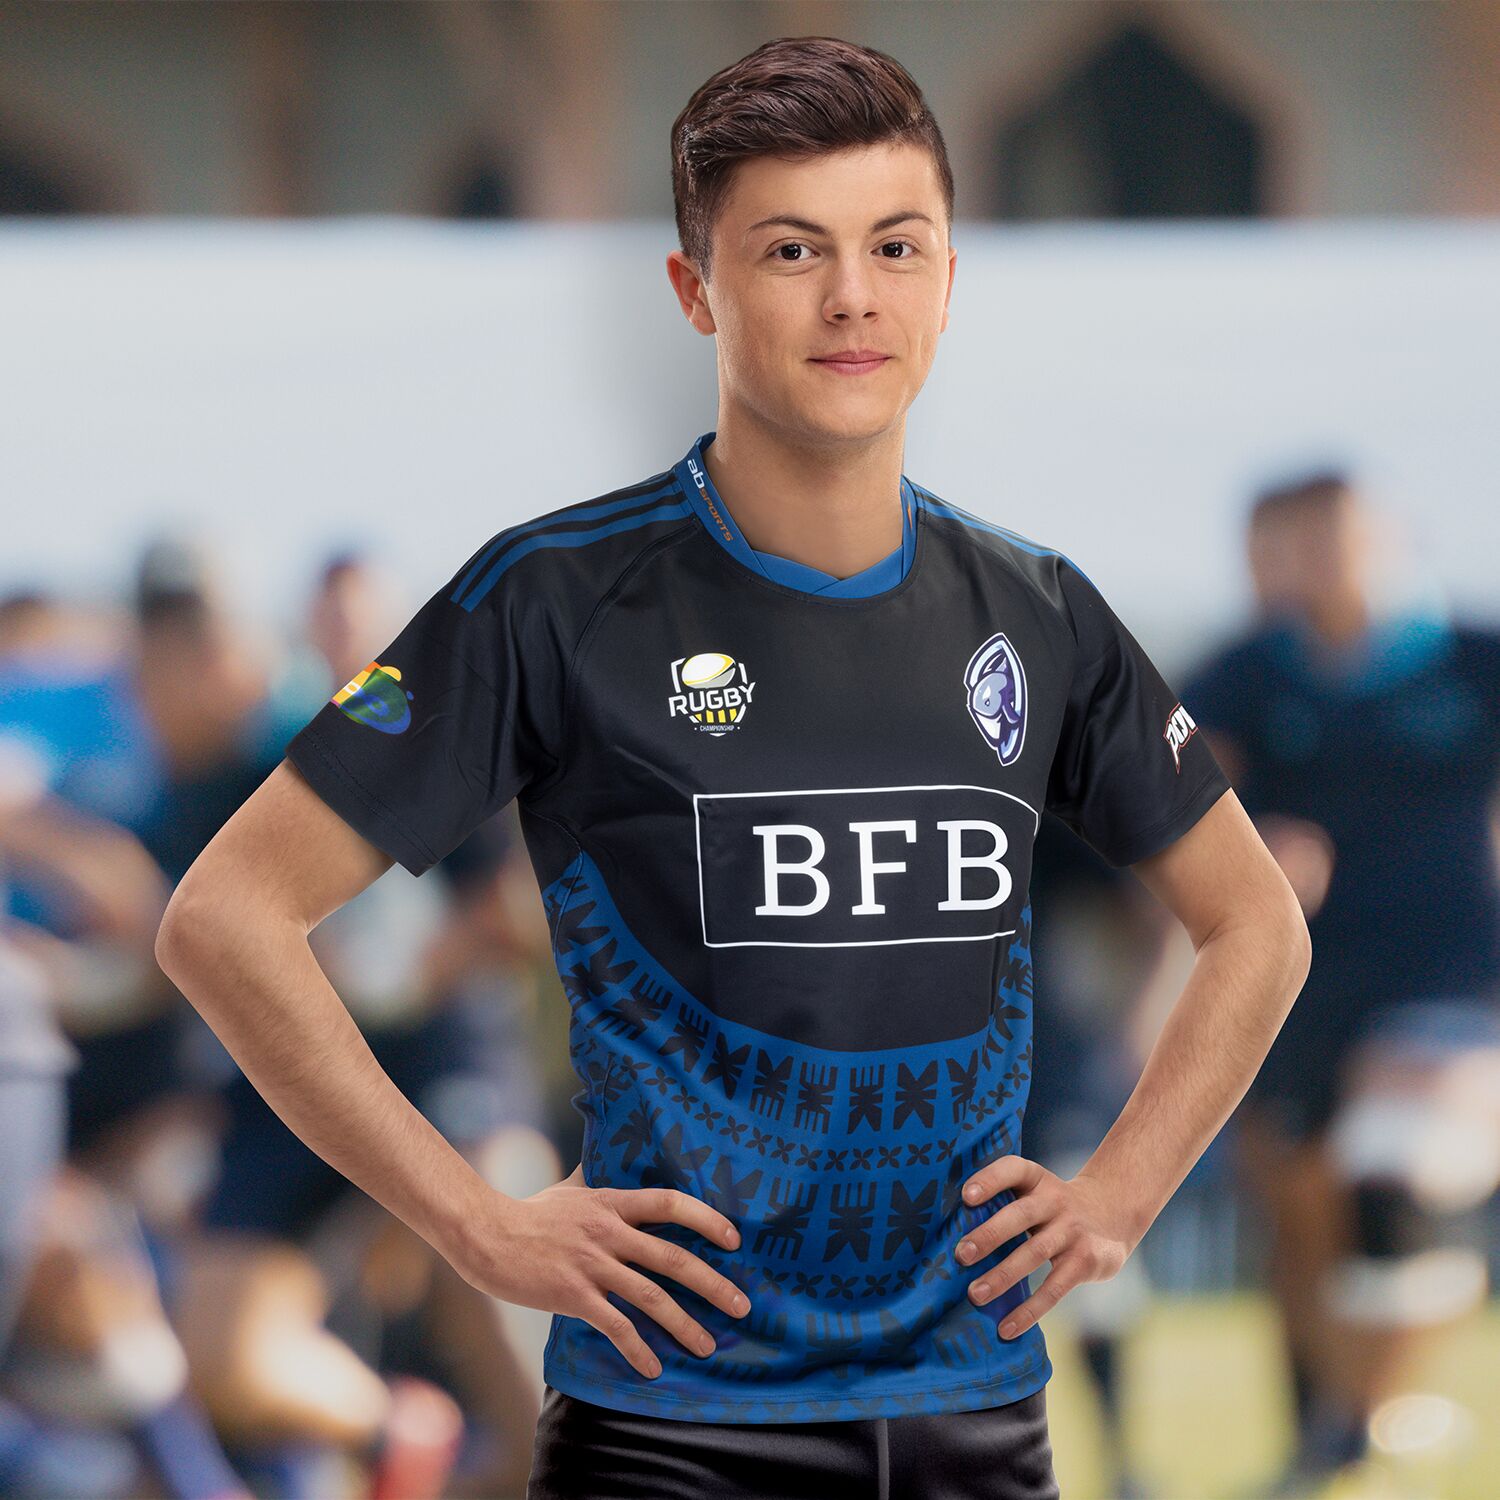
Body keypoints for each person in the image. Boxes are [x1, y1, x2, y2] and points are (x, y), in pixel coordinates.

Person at [157, 35, 1309, 1500]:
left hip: (974, 1417)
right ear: (695, 288)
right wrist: (477, 1223)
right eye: (791, 250)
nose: (853, 296)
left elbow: (1257, 924)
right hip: (672, 1428)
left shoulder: (1042, 611)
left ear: (948, 283)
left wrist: (1123, 1193)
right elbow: (227, 918)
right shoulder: (550, 600)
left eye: (897, 246)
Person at [1182, 471, 1500, 1495]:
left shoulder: (1474, 660)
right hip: (1293, 983)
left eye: (1325, 540)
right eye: (1275, 547)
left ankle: (1361, 1420)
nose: (1300, 566)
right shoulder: (1240, 674)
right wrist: (1237, 849)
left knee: (1400, 1172)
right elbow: (1168, 805)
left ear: (1387, 539)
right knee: (1303, 1221)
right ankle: (1333, 1432)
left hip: (1448, 978)